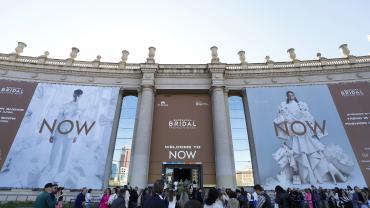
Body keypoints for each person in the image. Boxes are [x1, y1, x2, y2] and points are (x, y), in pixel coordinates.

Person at [272, 90, 353, 185]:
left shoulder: (301, 104)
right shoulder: (284, 106)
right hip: (295, 130)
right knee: (300, 152)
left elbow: (309, 117)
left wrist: (307, 122)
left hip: (304, 129)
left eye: (292, 94)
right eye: (289, 95)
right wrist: (291, 119)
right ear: (287, 97)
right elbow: (283, 118)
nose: (291, 96)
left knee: (312, 151)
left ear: (294, 95)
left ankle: (319, 174)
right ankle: (310, 176)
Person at [48, 89, 83, 174]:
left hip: (71, 135)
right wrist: (52, 134)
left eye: (79, 96)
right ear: (73, 95)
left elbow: (79, 123)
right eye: (75, 95)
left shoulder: (81, 108)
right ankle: (49, 168)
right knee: (54, 151)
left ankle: (61, 171)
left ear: (81, 97)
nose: (76, 97)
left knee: (66, 154)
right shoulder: (65, 105)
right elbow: (58, 119)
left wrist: (76, 135)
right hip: (60, 131)